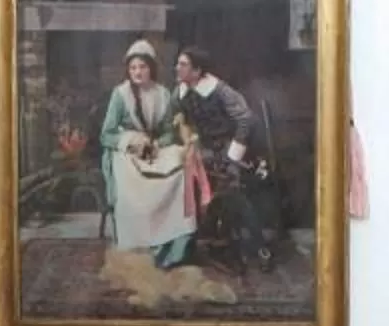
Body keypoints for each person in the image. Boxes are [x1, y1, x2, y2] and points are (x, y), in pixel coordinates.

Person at [173, 47, 277, 270]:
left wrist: (233, 155)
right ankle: (197, 245)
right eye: (178, 63)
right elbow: (181, 120)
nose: (177, 68)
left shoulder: (220, 91)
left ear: (197, 70)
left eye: (183, 64)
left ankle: (260, 247)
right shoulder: (180, 92)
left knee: (232, 192)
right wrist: (189, 137)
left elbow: (246, 120)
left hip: (233, 149)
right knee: (184, 186)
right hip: (205, 150)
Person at [98, 39, 195, 269]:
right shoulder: (120, 95)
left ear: (151, 67)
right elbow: (106, 135)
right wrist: (133, 141)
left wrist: (155, 145)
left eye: (142, 67)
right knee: (133, 181)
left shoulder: (163, 94)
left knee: (179, 167)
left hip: (153, 149)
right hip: (125, 152)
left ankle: (171, 246)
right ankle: (139, 247)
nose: (137, 72)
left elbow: (169, 134)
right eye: (133, 68)